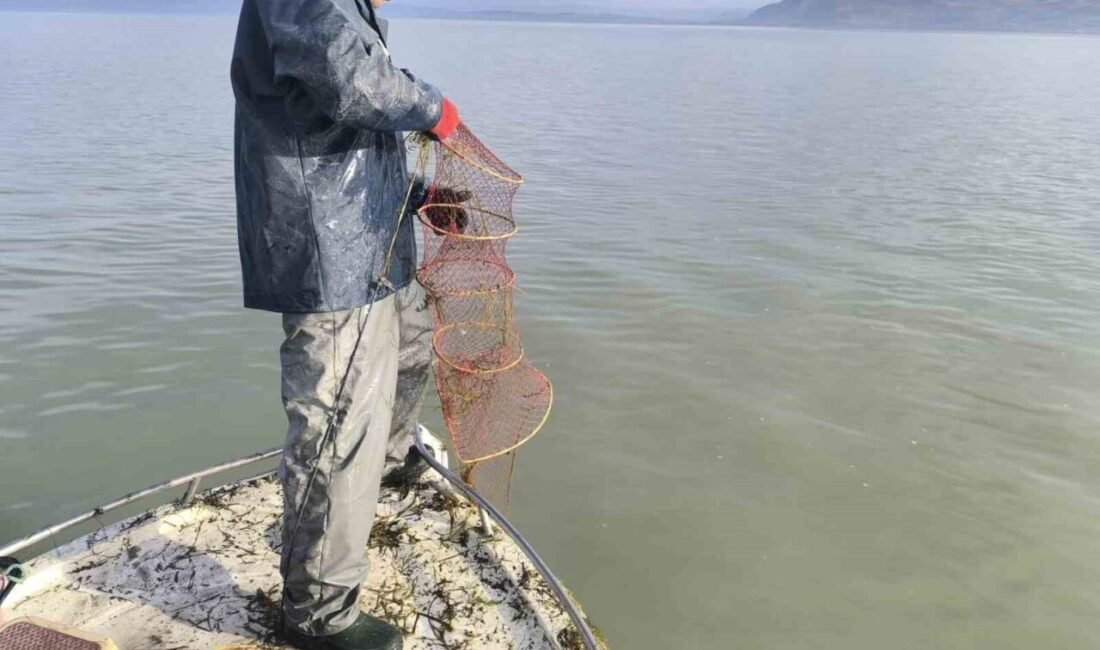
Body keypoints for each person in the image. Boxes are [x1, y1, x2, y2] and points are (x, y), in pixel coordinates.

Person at [230, 1, 460, 648]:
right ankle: (319, 617)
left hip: (372, 243)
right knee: (334, 430)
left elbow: (342, 132)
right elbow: (347, 81)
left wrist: (416, 194)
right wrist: (434, 106)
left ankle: (386, 469)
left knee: (411, 353)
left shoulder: (351, 10)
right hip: (331, 261)